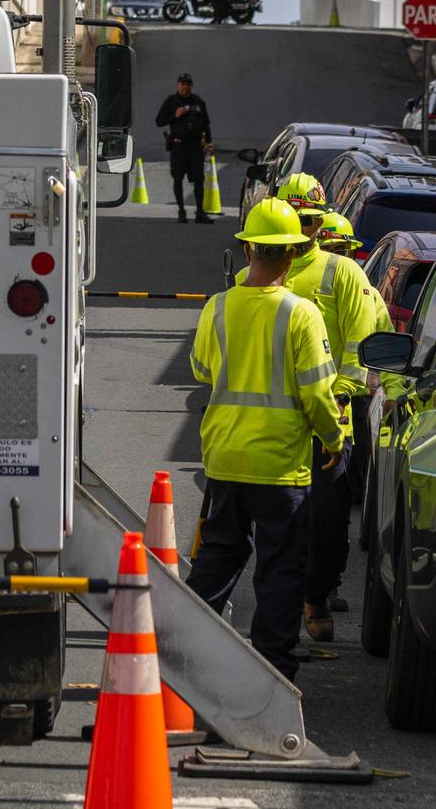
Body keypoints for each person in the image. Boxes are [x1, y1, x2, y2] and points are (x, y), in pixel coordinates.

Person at [187, 198, 345, 680]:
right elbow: (318, 394)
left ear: (249, 248)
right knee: (280, 571)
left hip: (224, 458)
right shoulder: (301, 315)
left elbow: (200, 369)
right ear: (295, 253)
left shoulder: (218, 307)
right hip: (280, 468)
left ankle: (183, 651)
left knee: (217, 558)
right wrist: (333, 438)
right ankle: (271, 669)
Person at [233, 174, 389, 640]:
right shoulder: (250, 278)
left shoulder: (343, 273)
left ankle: (316, 596)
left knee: (327, 517)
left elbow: (360, 341)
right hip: (271, 423)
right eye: (301, 220)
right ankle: (277, 613)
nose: (310, 230)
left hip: (327, 417)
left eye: (315, 222)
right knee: (272, 520)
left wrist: (340, 396)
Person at [153, 73, 214, 224]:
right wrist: (175, 115)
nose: (185, 87)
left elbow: (206, 124)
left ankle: (200, 212)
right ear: (178, 85)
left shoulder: (198, 101)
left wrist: (209, 143)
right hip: (178, 147)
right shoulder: (172, 101)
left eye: (188, 84)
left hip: (195, 146)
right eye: (182, 84)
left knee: (199, 179)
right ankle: (181, 211)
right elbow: (159, 121)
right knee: (178, 179)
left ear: (191, 86)